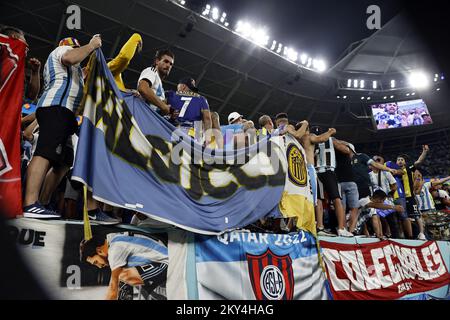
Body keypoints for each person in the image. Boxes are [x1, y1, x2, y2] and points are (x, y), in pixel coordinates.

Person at [23, 35, 102, 219]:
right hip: (56, 109)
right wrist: (90, 46)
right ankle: (30, 203)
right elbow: (69, 57)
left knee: (65, 160)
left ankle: (42, 202)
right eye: (74, 46)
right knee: (44, 153)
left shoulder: (73, 71)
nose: (76, 48)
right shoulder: (61, 52)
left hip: (65, 114)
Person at [80, 232, 168, 300]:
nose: (99, 266)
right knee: (123, 279)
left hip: (164, 262)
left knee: (121, 277)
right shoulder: (113, 239)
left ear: (99, 251)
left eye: (96, 262)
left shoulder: (115, 249)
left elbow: (113, 289)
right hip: (157, 261)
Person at [334, 142, 397, 234]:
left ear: (350, 148)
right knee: (355, 210)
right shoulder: (342, 160)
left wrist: (389, 169)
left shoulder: (361, 156)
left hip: (364, 186)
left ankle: (379, 235)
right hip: (351, 189)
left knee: (372, 212)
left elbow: (375, 164)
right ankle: (353, 232)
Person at [313, 128, 354, 237]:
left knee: (319, 200)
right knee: (336, 199)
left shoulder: (312, 139)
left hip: (316, 172)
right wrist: (342, 143)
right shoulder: (331, 139)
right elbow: (346, 150)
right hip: (328, 171)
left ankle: (320, 227)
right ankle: (341, 228)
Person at [386, 145, 430, 239]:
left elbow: (419, 162)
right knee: (404, 217)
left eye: (402, 159)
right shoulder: (394, 172)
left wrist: (424, 152)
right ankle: (407, 235)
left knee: (416, 215)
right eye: (398, 160)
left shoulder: (409, 168)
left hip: (410, 196)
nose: (400, 161)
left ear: (405, 162)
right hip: (400, 197)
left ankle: (422, 233)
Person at [0, 26, 41, 101]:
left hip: (12, 111)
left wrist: (35, 72)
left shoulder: (19, 70)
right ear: (13, 37)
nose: (27, 47)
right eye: (24, 43)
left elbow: (32, 96)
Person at [166, 77, 212, 144]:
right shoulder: (201, 99)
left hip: (170, 131)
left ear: (183, 86)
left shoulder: (170, 95)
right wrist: (207, 139)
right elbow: (207, 119)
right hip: (192, 134)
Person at [137, 49, 174, 114]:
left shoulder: (161, 88)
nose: (168, 65)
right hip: (141, 115)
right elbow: (143, 88)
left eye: (171, 64)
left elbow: (156, 109)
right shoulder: (151, 71)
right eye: (166, 61)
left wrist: (168, 112)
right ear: (157, 61)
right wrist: (164, 107)